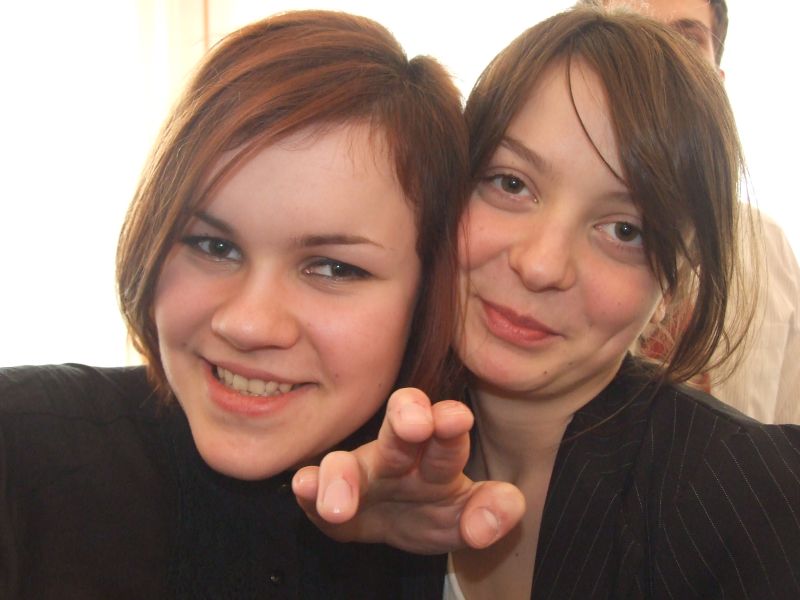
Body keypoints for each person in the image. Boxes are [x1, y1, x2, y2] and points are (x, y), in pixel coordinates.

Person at [296, 6, 800, 599]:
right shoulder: (356, 433)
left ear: (674, 281)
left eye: (625, 230)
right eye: (511, 183)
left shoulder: (751, 502)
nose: (540, 265)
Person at [0, 9, 506, 598]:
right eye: (213, 246)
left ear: (426, 295)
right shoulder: (23, 451)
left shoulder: (449, 507)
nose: (247, 323)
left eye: (333, 267)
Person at [583, 0, 800, 423]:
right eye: (626, 31)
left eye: (686, 41)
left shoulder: (768, 247)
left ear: (716, 82)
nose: (656, 60)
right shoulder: (537, 243)